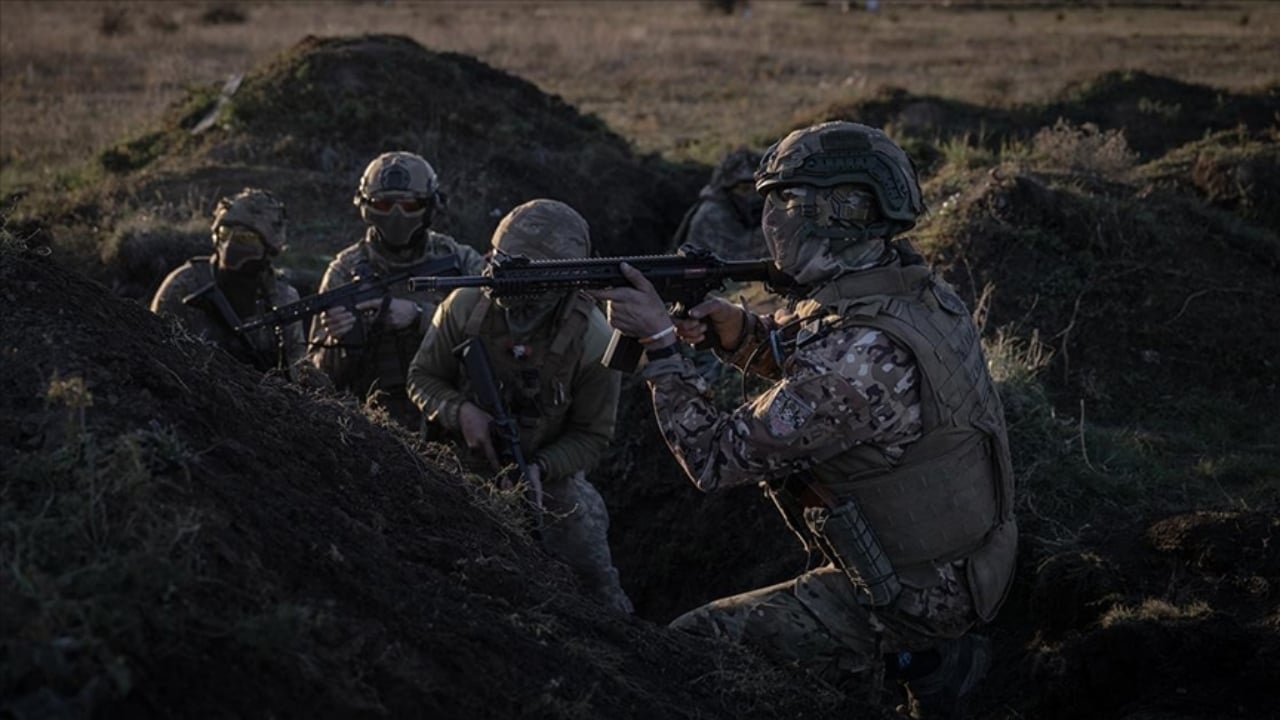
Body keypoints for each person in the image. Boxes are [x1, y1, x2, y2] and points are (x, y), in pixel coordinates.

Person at [592, 121, 1016, 719]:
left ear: (835, 212)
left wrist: (661, 346)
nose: (771, 220)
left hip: (915, 595)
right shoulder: (911, 292)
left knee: (689, 648)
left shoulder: (861, 354)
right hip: (964, 559)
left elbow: (713, 460)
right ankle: (927, 666)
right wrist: (742, 334)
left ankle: (921, 654)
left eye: (783, 202)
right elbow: (832, 373)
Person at [407, 199, 634, 615]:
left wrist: (542, 469)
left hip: (543, 478)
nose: (503, 275)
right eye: (501, 259)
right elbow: (421, 378)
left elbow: (593, 435)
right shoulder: (464, 304)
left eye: (523, 269)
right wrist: (460, 413)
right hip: (455, 462)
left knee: (590, 567)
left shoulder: (595, 341)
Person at [310, 151, 486, 428]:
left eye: (409, 204)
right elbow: (316, 379)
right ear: (366, 206)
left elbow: (489, 336)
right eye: (383, 204)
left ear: (430, 206)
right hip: (371, 424)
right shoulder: (345, 271)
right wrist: (338, 343)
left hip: (450, 416)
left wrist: (420, 316)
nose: (396, 215)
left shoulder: (460, 260)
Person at [150, 187, 309, 377]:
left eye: (246, 237)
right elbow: (153, 353)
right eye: (225, 233)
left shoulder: (282, 298)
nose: (231, 244)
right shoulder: (184, 286)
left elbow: (296, 369)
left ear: (268, 245)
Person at [671, 147, 766, 262]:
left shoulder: (740, 209)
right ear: (726, 190)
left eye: (757, 188)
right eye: (744, 189)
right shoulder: (712, 213)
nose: (753, 195)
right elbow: (740, 260)